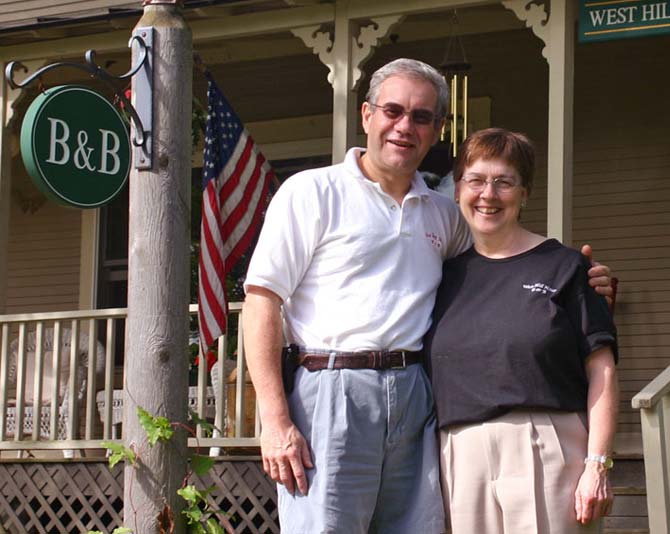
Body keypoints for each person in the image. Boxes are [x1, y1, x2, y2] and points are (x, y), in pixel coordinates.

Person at [241, 59, 614, 534]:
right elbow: (261, 301)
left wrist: (582, 278)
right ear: (366, 116)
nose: (404, 126)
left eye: (421, 117)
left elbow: (502, 257)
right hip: (332, 390)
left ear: (437, 129)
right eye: (392, 111)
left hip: (416, 395)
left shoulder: (444, 214)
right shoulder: (312, 192)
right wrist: (274, 419)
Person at [424, 128, 619, 534]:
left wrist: (597, 464)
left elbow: (602, 372)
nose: (488, 194)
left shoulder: (566, 268)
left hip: (546, 445)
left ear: (525, 193)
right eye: (476, 180)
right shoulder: (442, 277)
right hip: (459, 452)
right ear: (458, 189)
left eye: (504, 181)